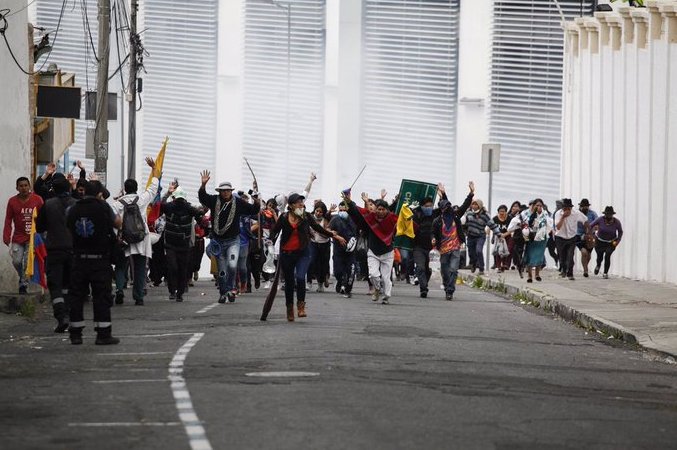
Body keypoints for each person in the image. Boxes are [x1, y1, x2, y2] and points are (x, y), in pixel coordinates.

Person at [270, 193, 345, 321]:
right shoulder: (284, 217)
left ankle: (301, 307)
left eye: (302, 202)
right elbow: (275, 231)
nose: (301, 204)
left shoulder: (306, 216)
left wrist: (335, 236)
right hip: (287, 254)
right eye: (298, 203)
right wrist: (269, 242)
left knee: (300, 278)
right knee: (289, 283)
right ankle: (289, 308)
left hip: (302, 253)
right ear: (291, 205)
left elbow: (317, 227)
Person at [66, 180, 122, 345]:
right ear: (99, 194)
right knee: (101, 296)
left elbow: (69, 230)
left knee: (76, 296)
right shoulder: (104, 207)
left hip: (78, 259)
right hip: (99, 260)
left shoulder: (73, 208)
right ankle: (103, 334)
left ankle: (75, 334)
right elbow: (118, 223)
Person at [198, 170, 261, 303]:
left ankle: (232, 288)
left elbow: (253, 210)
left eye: (228, 190)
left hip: (233, 241)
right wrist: (203, 185)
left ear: (231, 191)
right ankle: (223, 292)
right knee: (221, 271)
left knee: (232, 265)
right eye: (223, 190)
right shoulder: (214, 200)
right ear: (219, 191)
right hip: (218, 242)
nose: (226, 192)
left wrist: (256, 201)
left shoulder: (238, 202)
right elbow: (202, 197)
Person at [112, 158, 160, 305]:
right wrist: (154, 170)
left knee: (121, 265)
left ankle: (120, 290)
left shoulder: (117, 203)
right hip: (140, 237)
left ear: (125, 189)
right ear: (136, 187)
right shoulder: (141, 199)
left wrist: (116, 237)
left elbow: (114, 222)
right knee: (139, 268)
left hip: (124, 238)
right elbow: (153, 188)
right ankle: (138, 297)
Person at [35, 175, 76, 332]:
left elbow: (39, 227)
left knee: (55, 285)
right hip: (72, 250)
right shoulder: (75, 204)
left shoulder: (48, 204)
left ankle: (61, 317)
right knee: (68, 284)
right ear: (68, 188)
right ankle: (69, 314)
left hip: (54, 250)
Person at [345, 191, 399, 304]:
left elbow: (403, 214)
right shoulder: (370, 219)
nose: (380, 211)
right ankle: (377, 289)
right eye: (378, 209)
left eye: (383, 209)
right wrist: (348, 202)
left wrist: (398, 200)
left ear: (387, 210)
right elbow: (357, 213)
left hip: (388, 253)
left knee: (386, 277)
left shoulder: (392, 219)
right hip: (373, 252)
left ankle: (386, 297)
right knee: (373, 275)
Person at [432, 182, 474, 300]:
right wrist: (433, 239)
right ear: (441, 209)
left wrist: (471, 194)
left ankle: (450, 290)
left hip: (455, 247)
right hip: (443, 249)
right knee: (445, 271)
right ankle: (446, 286)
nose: (448, 209)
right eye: (445, 207)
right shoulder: (437, 221)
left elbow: (465, 205)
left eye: (449, 207)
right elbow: (432, 233)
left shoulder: (455, 216)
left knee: (453, 270)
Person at [161, 185, 203, 302]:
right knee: (180, 269)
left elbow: (159, 203)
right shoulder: (187, 208)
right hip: (177, 245)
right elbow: (201, 214)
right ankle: (176, 292)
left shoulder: (170, 207)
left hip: (177, 244)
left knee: (174, 268)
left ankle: (176, 293)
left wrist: (167, 193)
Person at [4, 177, 44, 294]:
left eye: (26, 185)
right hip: (17, 237)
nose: (24, 188)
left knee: (27, 262)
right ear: (17, 188)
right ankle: (23, 278)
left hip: (32, 238)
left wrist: (42, 235)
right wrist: (6, 236)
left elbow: (43, 218)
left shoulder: (38, 200)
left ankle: (23, 285)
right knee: (16, 261)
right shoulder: (12, 201)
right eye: (21, 186)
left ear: (29, 186)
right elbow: (8, 219)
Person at [554, 198, 590, 281]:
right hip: (560, 237)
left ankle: (570, 273)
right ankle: (563, 269)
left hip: (572, 237)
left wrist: (588, 231)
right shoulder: (558, 214)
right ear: (562, 208)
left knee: (570, 256)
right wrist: (563, 217)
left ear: (571, 208)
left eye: (569, 208)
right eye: (565, 208)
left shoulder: (576, 213)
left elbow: (586, 220)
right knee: (562, 257)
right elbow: (558, 227)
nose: (567, 210)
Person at [518, 199, 553, 283]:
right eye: (537, 205)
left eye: (540, 205)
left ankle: (537, 274)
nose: (539, 207)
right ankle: (529, 275)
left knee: (539, 255)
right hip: (530, 237)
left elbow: (549, 224)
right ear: (533, 205)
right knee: (529, 255)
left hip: (542, 238)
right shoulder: (526, 213)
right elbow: (521, 222)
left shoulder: (545, 214)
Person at [328, 201, 357, 297]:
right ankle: (340, 282)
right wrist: (336, 237)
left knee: (351, 271)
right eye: (340, 210)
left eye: (344, 210)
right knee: (338, 272)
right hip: (338, 251)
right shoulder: (335, 219)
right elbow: (328, 230)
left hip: (351, 251)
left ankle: (348, 290)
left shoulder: (354, 219)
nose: (342, 212)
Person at [465, 198, 499, 275]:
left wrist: (499, 235)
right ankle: (473, 264)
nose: (474, 206)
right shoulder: (469, 212)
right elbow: (464, 218)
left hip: (480, 235)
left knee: (479, 250)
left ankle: (481, 268)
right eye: (473, 204)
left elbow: (492, 225)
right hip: (470, 236)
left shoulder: (485, 215)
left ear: (480, 206)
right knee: (471, 253)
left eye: (476, 204)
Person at [411, 196, 436, 298]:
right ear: (422, 207)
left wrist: (443, 194)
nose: (429, 208)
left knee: (428, 270)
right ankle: (423, 288)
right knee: (420, 267)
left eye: (430, 206)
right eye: (426, 206)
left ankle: (424, 283)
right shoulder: (416, 215)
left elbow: (446, 208)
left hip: (431, 249)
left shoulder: (435, 216)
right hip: (418, 247)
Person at [590, 206, 623, 279]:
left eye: (610, 214)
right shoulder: (600, 219)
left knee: (607, 256)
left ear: (612, 215)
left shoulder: (617, 222)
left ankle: (605, 273)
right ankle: (598, 265)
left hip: (611, 242)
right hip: (599, 241)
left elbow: (620, 231)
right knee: (600, 257)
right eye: (607, 214)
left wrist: (618, 241)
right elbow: (590, 226)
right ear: (605, 214)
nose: (608, 216)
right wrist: (592, 234)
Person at [308, 201, 332, 292]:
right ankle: (309, 282)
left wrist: (317, 231)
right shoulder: (310, 218)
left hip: (324, 245)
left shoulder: (325, 220)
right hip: (313, 243)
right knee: (310, 261)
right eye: (317, 211)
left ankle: (320, 284)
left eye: (320, 212)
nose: (318, 213)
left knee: (323, 265)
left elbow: (327, 234)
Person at [576, 199, 598, 277]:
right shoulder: (576, 213)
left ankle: (585, 266)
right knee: (584, 252)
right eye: (583, 206)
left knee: (588, 255)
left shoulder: (593, 214)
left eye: (586, 206)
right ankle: (585, 270)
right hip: (579, 235)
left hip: (589, 236)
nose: (585, 208)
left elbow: (597, 223)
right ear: (580, 206)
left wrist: (595, 229)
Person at [492, 205, 513, 272]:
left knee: (508, 249)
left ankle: (505, 264)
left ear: (506, 212)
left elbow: (512, 229)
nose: (502, 213)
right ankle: (499, 266)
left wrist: (504, 235)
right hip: (498, 236)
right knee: (499, 250)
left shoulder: (509, 218)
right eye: (500, 211)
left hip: (508, 235)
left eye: (503, 211)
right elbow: (490, 226)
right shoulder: (495, 218)